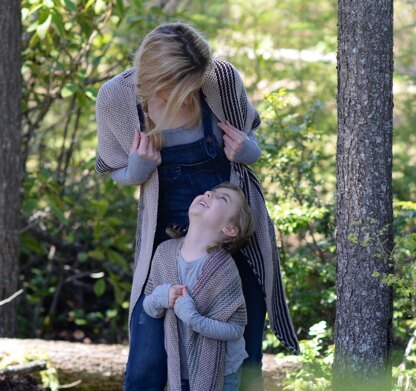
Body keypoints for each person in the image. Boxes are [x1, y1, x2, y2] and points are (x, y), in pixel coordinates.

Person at [95, 22, 299, 391]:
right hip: (164, 235)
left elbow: (250, 136)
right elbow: (113, 169)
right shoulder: (114, 98)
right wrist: (138, 169)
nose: (189, 99)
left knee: (242, 349)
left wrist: (250, 150)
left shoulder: (220, 78)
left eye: (195, 87)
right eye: (177, 91)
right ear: (151, 79)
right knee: (148, 358)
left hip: (231, 228)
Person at [143, 183, 255, 391]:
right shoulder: (164, 253)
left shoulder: (222, 269)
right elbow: (149, 306)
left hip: (222, 372)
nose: (209, 193)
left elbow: (235, 329)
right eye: (210, 192)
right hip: (179, 369)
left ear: (229, 229)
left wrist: (193, 318)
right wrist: (162, 296)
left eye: (222, 199)